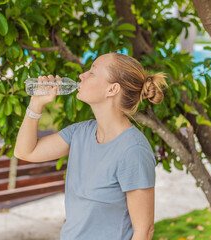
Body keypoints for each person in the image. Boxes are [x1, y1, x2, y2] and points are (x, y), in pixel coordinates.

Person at [14, 52, 168, 240]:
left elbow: (144, 231)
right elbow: (25, 151)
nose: (82, 75)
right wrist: (36, 103)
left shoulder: (133, 150)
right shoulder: (80, 133)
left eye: (92, 72)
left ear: (112, 89)